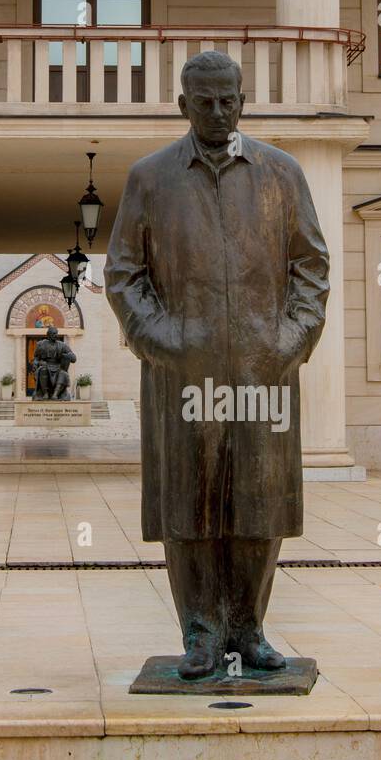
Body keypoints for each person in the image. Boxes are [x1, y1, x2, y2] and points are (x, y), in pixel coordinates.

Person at [105, 51, 329, 681]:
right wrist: (162, 341)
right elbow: (124, 275)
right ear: (183, 105)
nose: (217, 110)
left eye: (227, 99)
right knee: (191, 504)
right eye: (203, 101)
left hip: (265, 370)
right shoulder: (150, 178)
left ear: (242, 100)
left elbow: (311, 265)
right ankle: (200, 633)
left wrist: (289, 341)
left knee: (260, 500)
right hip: (182, 374)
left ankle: (249, 627)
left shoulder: (282, 174)